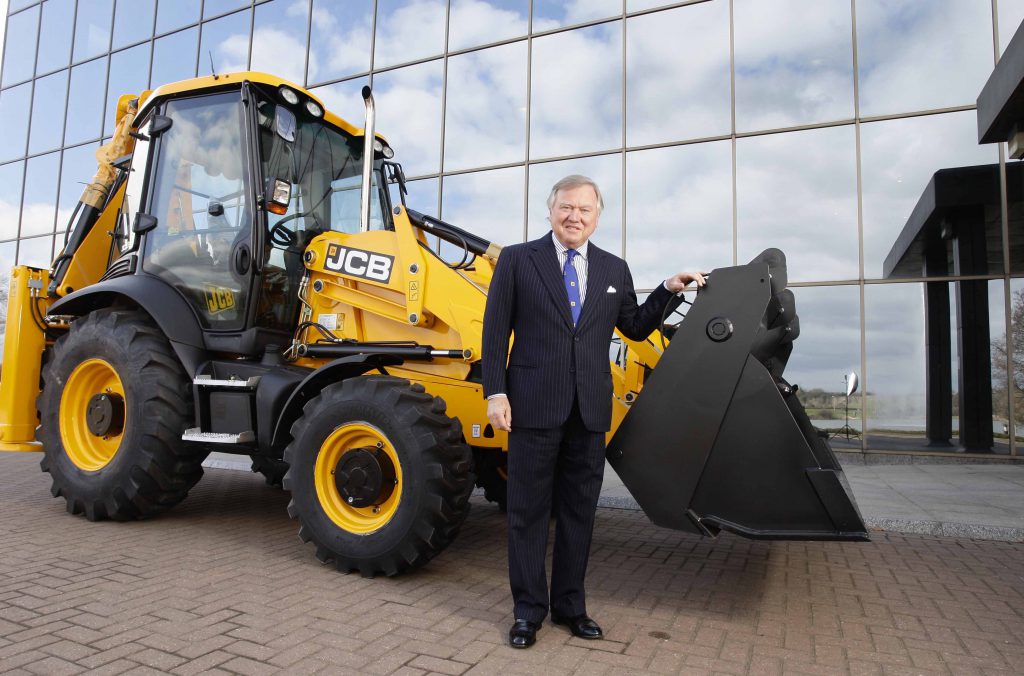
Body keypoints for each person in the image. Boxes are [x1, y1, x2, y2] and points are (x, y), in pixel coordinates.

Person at [481, 174, 707, 649]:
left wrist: (668, 288)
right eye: (566, 207)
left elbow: (636, 327)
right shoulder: (519, 260)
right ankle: (527, 612)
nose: (574, 217)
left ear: (597, 217)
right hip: (533, 408)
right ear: (550, 210)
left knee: (580, 513)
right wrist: (495, 393)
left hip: (588, 412)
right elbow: (496, 327)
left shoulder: (613, 268)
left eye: (585, 210)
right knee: (526, 512)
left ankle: (570, 606)